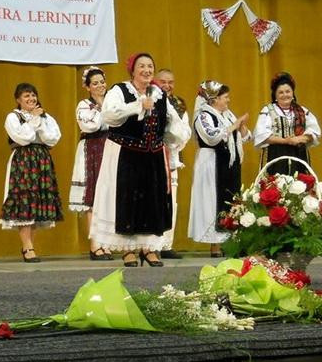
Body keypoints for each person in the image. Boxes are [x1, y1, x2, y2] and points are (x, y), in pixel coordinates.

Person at [90, 52, 189, 267]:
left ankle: (149, 248)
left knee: (151, 202)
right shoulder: (120, 90)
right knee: (127, 201)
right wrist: (137, 106)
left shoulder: (159, 94)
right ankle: (128, 250)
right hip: (126, 154)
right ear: (133, 70)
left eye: (150, 66)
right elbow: (109, 115)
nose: (146, 70)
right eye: (142, 66)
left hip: (152, 156)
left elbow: (172, 122)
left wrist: (173, 138)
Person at [0, 83, 63, 262]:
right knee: (24, 202)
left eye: (33, 95)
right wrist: (34, 121)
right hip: (23, 160)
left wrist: (38, 122)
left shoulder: (45, 116)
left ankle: (29, 246)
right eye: (26, 96)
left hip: (42, 159)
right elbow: (23, 138)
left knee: (36, 203)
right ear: (18, 99)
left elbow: (53, 138)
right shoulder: (13, 117)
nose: (31, 98)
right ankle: (28, 247)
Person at [188, 81, 250, 257]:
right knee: (212, 200)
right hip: (211, 162)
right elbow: (212, 136)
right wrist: (235, 125)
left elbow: (246, 137)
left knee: (231, 198)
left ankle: (230, 240)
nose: (228, 100)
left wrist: (241, 127)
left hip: (229, 162)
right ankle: (214, 243)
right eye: (225, 97)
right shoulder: (203, 116)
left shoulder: (227, 115)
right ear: (214, 99)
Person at [68, 66, 112, 260]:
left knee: (108, 198)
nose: (100, 85)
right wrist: (103, 109)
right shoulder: (84, 105)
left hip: (110, 148)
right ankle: (95, 244)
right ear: (87, 87)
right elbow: (90, 125)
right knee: (93, 197)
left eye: (102, 82)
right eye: (95, 83)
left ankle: (106, 243)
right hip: (92, 150)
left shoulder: (112, 102)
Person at [253, 72, 320, 176]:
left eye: (288, 91)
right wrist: (286, 141)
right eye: (281, 92)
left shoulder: (302, 111)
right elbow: (262, 135)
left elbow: (314, 132)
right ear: (275, 95)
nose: (285, 95)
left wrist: (300, 138)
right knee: (276, 183)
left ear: (293, 93)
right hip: (275, 154)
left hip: (298, 154)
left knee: (299, 182)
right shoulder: (268, 110)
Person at [155, 68, 191, 259]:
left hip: (172, 156)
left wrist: (173, 143)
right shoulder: (149, 99)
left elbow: (185, 131)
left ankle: (166, 245)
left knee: (171, 202)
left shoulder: (179, 104)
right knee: (153, 201)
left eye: (171, 82)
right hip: (152, 156)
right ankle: (150, 244)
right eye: (163, 82)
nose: (167, 86)